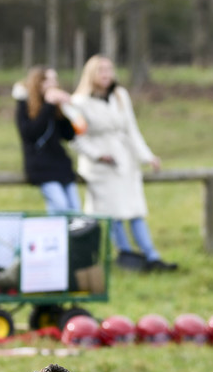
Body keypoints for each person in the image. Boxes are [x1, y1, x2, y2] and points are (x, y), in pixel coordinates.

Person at [66, 55, 176, 272]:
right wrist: (98, 155)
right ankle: (127, 255)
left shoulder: (120, 96)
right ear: (91, 74)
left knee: (135, 210)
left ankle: (152, 256)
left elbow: (132, 129)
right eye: (101, 70)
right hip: (101, 167)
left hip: (124, 161)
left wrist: (147, 156)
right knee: (113, 213)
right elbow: (75, 138)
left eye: (109, 70)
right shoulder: (79, 102)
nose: (107, 75)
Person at [16, 65, 83, 214]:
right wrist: (48, 106)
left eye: (54, 80)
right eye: (48, 80)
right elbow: (30, 133)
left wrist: (68, 110)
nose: (53, 84)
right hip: (41, 168)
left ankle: (69, 237)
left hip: (61, 166)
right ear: (37, 83)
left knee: (76, 209)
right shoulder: (24, 105)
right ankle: (56, 235)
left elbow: (69, 135)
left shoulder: (56, 107)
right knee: (61, 206)